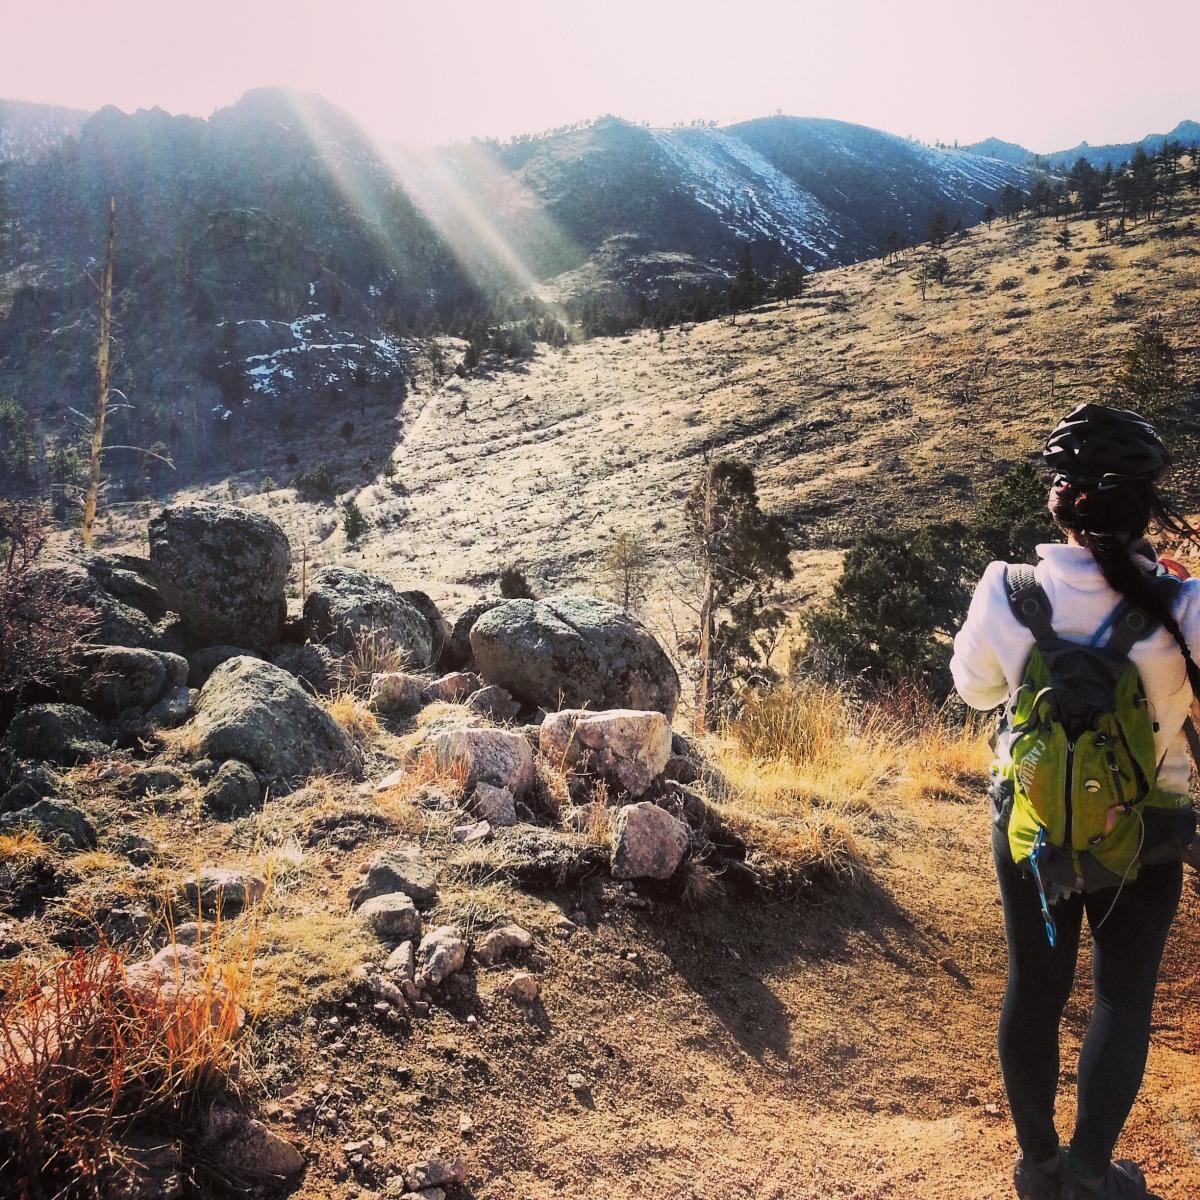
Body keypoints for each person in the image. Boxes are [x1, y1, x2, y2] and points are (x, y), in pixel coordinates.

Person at [950, 404, 1200, 1200]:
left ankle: (1038, 1167)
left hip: (1032, 832)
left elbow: (975, 688)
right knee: (1122, 1002)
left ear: (1060, 500)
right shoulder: (1186, 609)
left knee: (1035, 990)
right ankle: (1092, 1177)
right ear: (1143, 507)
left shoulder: (1006, 591)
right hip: (1149, 834)